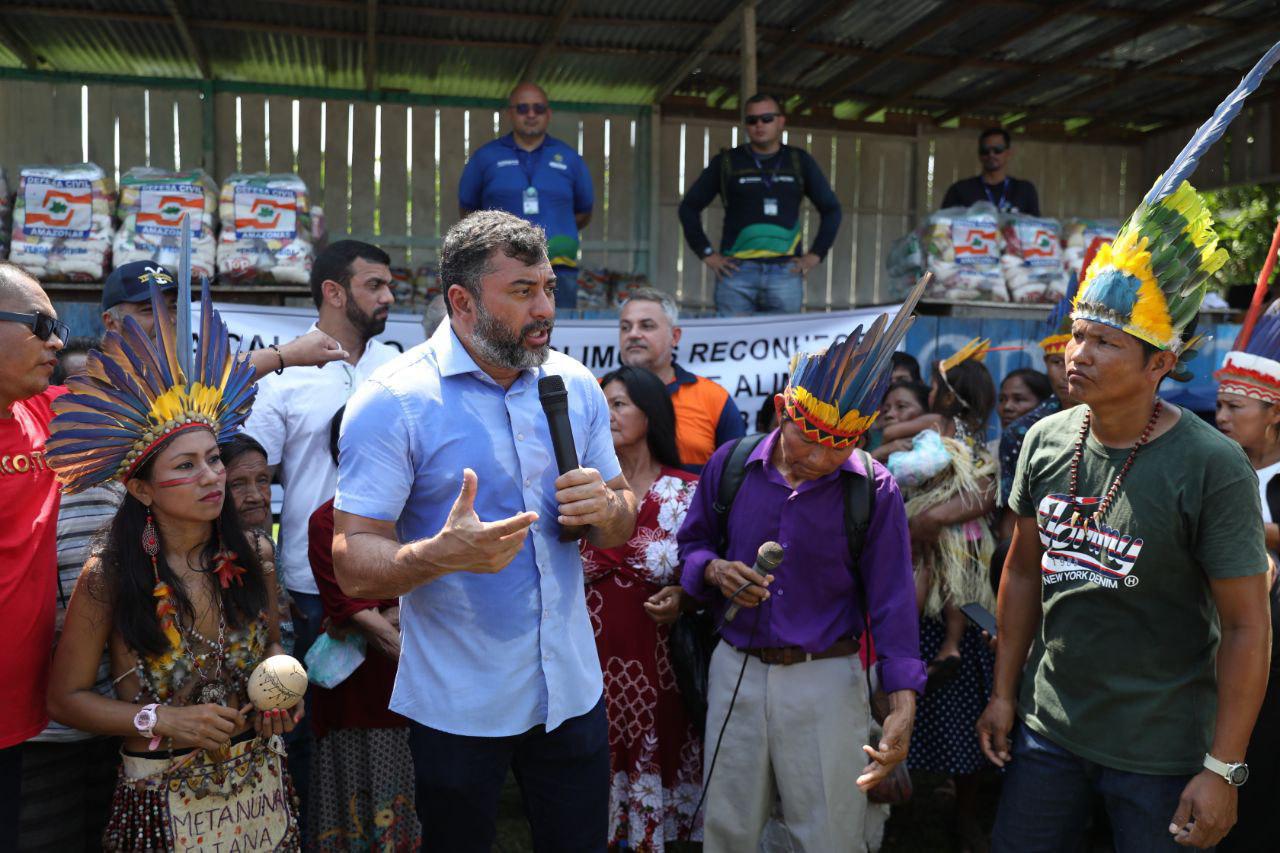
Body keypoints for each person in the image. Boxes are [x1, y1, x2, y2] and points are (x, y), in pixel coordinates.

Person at [977, 180, 1271, 851]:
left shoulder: (1212, 465)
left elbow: (1248, 624)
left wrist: (1222, 768)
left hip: (1162, 751)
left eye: (1106, 342)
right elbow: (1022, 574)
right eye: (1078, 336)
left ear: (1160, 362)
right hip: (1049, 732)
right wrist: (1003, 693)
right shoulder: (1045, 438)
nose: (1079, 354)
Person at [333, 210, 637, 851]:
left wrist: (608, 512)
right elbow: (351, 560)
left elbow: (621, 516)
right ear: (462, 301)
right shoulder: (394, 400)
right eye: (523, 292)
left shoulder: (574, 383)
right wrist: (437, 556)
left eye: (549, 288)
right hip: (460, 703)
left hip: (572, 692)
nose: (544, 309)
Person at [44, 280, 304, 850]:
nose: (212, 477)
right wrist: (159, 720)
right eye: (186, 466)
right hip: (161, 792)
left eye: (214, 459)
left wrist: (281, 697)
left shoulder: (255, 554)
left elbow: (271, 653)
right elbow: (65, 700)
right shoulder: (108, 577)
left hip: (257, 788)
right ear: (140, 489)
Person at [677, 280, 926, 852]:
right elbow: (690, 549)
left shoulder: (874, 489)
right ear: (783, 413)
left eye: (838, 448)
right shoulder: (732, 464)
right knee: (728, 826)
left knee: (828, 832)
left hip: (826, 678)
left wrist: (901, 703)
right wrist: (714, 571)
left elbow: (891, 601)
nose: (820, 458)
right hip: (735, 667)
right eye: (808, 442)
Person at [878, 344, 999, 853]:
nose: (901, 416)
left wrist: (930, 518)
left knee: (961, 702)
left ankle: (961, 813)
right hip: (917, 580)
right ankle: (893, 804)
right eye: (892, 411)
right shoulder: (942, 442)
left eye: (919, 401)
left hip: (961, 575)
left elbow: (986, 494)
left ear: (943, 393)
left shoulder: (979, 447)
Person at [579, 365, 701, 850]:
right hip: (586, 667)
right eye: (602, 404)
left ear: (650, 414)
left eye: (619, 404)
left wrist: (687, 597)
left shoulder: (687, 490)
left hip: (659, 672)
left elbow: (708, 570)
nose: (607, 414)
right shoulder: (583, 491)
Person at [307, 407, 421, 850]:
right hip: (363, 689)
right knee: (356, 797)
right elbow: (351, 608)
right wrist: (395, 622)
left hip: (419, 690)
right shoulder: (326, 520)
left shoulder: (421, 511)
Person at [0, 263, 68, 843]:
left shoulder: (43, 413)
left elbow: (156, 395)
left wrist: (283, 355)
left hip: (16, 710)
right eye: (40, 324)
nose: (57, 341)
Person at [678, 93, 843, 315]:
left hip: (785, 273)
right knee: (732, 343)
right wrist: (708, 255)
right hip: (736, 273)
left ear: (781, 121)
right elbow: (688, 207)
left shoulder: (799, 161)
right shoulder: (727, 162)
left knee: (785, 346)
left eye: (767, 118)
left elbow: (832, 209)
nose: (759, 125)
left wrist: (815, 255)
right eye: (752, 120)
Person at [1212, 312, 1280, 852]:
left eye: (1236, 405)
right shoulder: (1213, 466)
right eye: (1221, 404)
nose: (1221, 415)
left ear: (1273, 412)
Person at [459, 82, 594, 310]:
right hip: (501, 268)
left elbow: (584, 212)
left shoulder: (569, 158)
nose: (531, 114)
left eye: (538, 108)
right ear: (510, 113)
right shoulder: (486, 156)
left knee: (558, 335)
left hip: (559, 268)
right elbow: (468, 211)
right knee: (505, 335)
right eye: (522, 108)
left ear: (548, 113)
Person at [102, 260, 347, 380]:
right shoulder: (94, 381)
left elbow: (211, 375)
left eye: (172, 308)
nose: (168, 320)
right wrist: (288, 353)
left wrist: (290, 354)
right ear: (111, 322)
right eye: (149, 310)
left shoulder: (180, 372)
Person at [618, 287, 744, 471]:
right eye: (625, 327)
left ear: (675, 336)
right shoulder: (596, 393)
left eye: (646, 326)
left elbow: (736, 474)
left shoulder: (713, 398)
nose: (633, 334)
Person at [995, 282, 1081, 541]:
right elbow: (1012, 519)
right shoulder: (1023, 432)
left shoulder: (1115, 421)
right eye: (1057, 361)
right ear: (1045, 363)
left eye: (1075, 358)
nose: (1067, 370)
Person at [941, 128, 1040, 216]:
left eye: (997, 150)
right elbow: (943, 225)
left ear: (1008, 153)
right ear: (979, 154)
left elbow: (1036, 227)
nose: (991, 155)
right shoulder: (960, 189)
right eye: (985, 150)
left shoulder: (1024, 189)